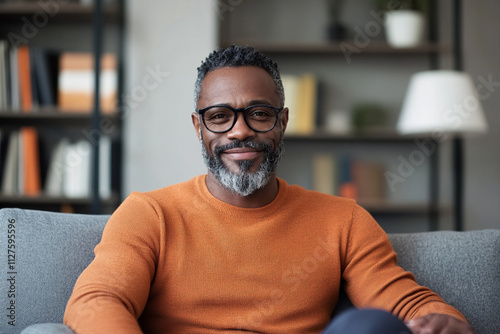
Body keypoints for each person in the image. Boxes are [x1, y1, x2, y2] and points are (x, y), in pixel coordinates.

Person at [61, 45, 473, 334]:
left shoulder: (342, 220)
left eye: (259, 114)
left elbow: (403, 304)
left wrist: (439, 318)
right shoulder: (149, 214)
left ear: (283, 122)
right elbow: (96, 301)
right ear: (198, 127)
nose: (240, 131)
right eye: (220, 116)